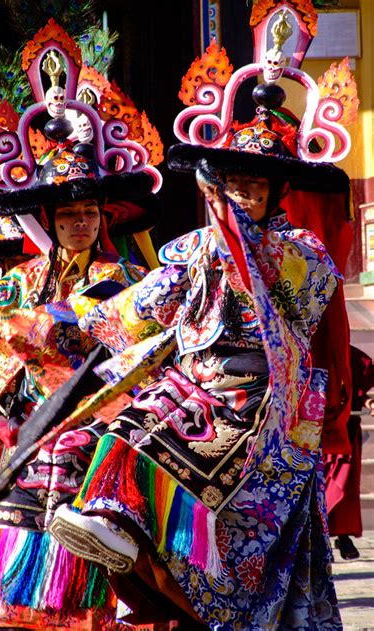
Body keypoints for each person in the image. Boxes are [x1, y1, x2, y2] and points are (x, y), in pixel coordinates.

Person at [47, 92, 352, 628]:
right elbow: (146, 305)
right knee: (123, 432)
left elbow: (289, 293)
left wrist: (233, 240)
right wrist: (78, 315)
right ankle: (115, 526)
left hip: (264, 406)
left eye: (253, 185)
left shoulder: (303, 251)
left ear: (277, 190)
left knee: (245, 546)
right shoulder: (195, 248)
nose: (240, 193)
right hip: (194, 388)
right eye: (231, 183)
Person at [0, 146, 158, 631]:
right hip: (27, 426)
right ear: (49, 219)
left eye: (88, 213)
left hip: (100, 417)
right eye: (67, 215)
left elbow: (130, 338)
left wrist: (26, 328)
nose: (79, 223)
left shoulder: (125, 279)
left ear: (103, 217)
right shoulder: (23, 280)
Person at [325, 345, 374, 560]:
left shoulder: (354, 357)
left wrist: (369, 401)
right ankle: (318, 540)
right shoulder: (300, 349)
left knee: (343, 485)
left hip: (346, 431)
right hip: (311, 433)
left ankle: (343, 535)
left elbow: (363, 393)